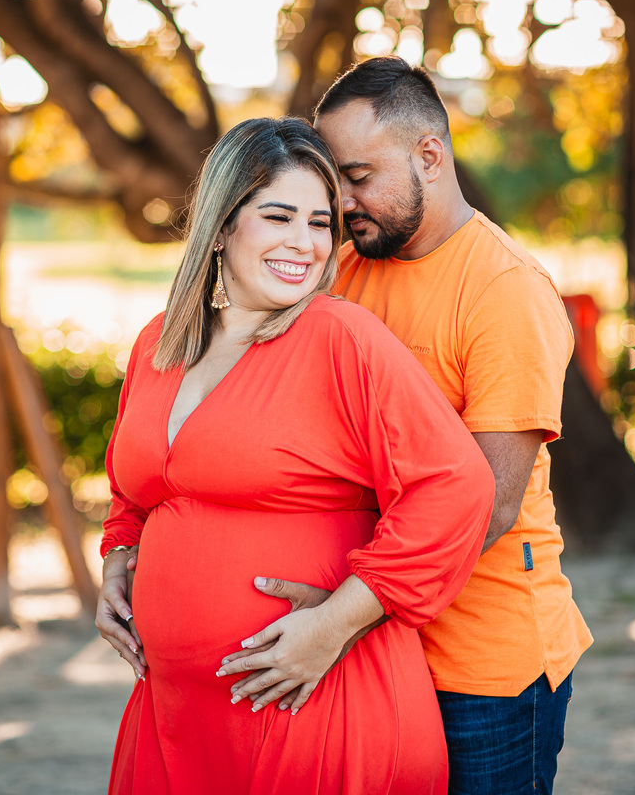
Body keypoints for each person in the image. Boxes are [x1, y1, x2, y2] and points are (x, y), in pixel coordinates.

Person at [217, 58, 594, 795]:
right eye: (335, 182)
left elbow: (485, 507)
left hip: (481, 668)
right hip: (366, 647)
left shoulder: (505, 294)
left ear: (430, 155)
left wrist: (337, 620)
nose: (344, 203)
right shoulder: (346, 269)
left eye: (359, 175)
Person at [94, 116, 496, 794]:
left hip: (314, 703)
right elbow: (136, 491)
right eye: (278, 216)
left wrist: (335, 622)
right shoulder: (159, 344)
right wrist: (117, 560)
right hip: (178, 716)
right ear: (221, 226)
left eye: (320, 224)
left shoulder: (342, 338)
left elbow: (456, 489)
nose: (304, 245)